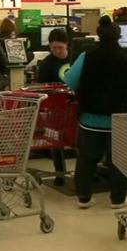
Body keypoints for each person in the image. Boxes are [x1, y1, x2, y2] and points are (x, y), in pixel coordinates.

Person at [65, 16, 127, 209]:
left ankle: (84, 197)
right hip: (119, 120)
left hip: (90, 119)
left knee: (87, 158)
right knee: (119, 159)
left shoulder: (86, 57)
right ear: (118, 37)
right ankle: (117, 199)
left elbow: (70, 81)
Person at [36, 28, 72, 186]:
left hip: (75, 104)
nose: (57, 51)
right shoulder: (46, 65)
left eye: (60, 47)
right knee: (56, 141)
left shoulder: (76, 58)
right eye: (54, 48)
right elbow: (41, 87)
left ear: (67, 45)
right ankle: (60, 173)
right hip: (56, 106)